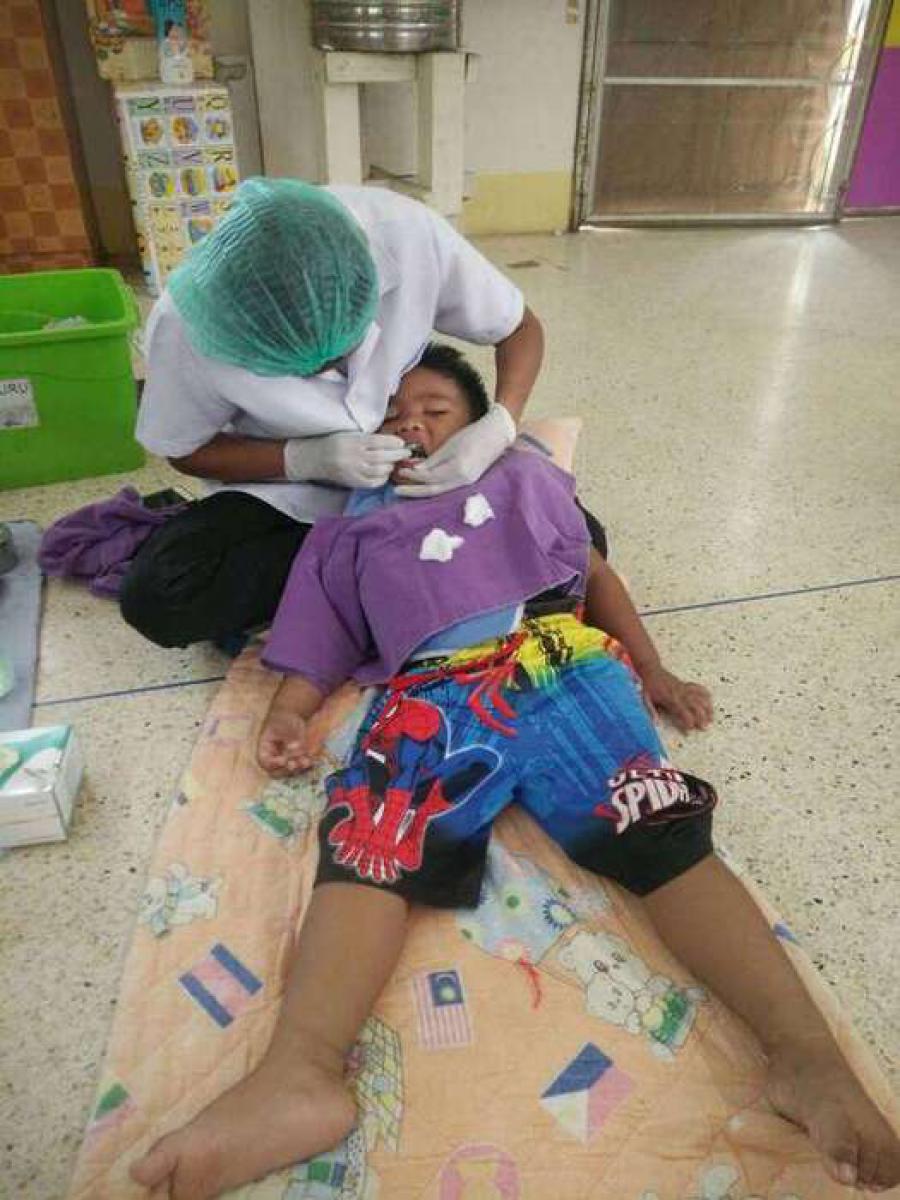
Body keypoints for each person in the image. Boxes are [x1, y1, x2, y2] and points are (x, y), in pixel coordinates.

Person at [131, 349, 899, 1200]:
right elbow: (320, 637)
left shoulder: (523, 477)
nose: (412, 426)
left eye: (436, 411)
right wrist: (287, 712)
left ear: (480, 428)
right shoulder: (346, 530)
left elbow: (594, 574)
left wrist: (654, 669)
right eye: (391, 416)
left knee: (656, 823)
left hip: (557, 659)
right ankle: (298, 1073)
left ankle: (805, 1057)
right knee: (371, 840)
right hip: (428, 690)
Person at [120, 176, 551, 651]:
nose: (323, 373)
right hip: (284, 491)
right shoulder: (187, 326)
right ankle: (379, 583)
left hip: (432, 498)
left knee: (567, 534)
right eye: (286, 365)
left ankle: (350, 593)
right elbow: (185, 450)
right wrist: (300, 459)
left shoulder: (407, 236)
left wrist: (501, 422)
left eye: (335, 354)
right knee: (160, 594)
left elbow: (519, 328)